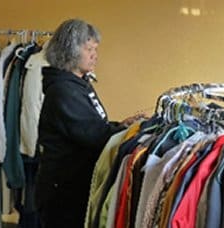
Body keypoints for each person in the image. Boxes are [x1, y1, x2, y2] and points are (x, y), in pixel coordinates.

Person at [34, 19, 144, 228]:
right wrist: (128, 131)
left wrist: (119, 125)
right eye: (89, 49)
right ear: (70, 51)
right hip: (63, 193)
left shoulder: (79, 83)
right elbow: (94, 135)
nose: (95, 55)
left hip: (76, 187)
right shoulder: (63, 91)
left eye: (96, 49)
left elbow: (89, 123)